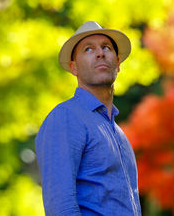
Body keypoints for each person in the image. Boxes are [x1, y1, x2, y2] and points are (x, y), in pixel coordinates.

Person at [35, 21, 142, 215]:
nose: (100, 53)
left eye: (106, 47)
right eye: (88, 49)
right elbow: (61, 207)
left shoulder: (119, 134)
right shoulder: (65, 117)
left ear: (118, 63)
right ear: (74, 67)